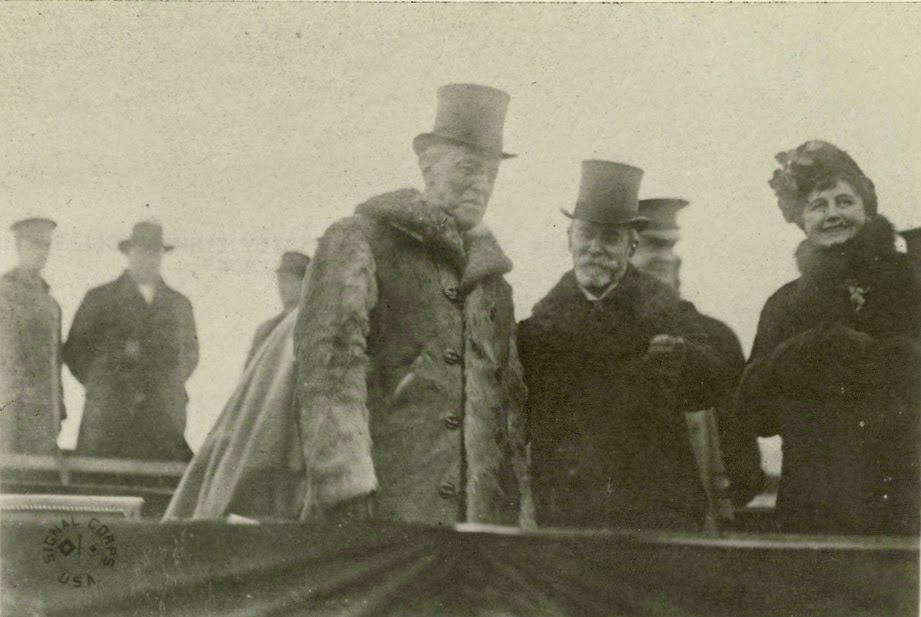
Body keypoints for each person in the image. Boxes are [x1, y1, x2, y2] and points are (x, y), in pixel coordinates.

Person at [293, 84, 532, 527]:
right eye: (467, 168)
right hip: (379, 514)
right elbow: (328, 369)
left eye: (491, 174)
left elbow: (509, 416)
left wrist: (515, 519)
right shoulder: (362, 240)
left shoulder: (493, 283)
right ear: (427, 166)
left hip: (475, 528)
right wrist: (347, 485)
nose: (481, 185)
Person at [518, 161, 729, 531]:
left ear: (632, 246)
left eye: (611, 238)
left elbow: (715, 380)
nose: (595, 249)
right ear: (569, 239)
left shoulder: (668, 313)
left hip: (654, 519)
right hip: (567, 517)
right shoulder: (539, 328)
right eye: (586, 235)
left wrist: (682, 358)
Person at [736, 140, 921, 535]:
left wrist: (877, 356)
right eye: (818, 206)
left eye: (844, 201)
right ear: (801, 220)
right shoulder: (784, 305)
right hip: (813, 505)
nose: (833, 214)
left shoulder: (911, 284)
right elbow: (755, 416)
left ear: (867, 210)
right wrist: (794, 354)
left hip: (904, 503)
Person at [634, 198, 765, 513]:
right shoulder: (594, 334)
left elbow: (744, 468)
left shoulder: (716, 338)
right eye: (651, 246)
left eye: (670, 245)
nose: (666, 258)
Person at [64, 221, 199, 462]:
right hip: (108, 423)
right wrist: (103, 384)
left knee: (160, 481)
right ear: (129, 253)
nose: (147, 259)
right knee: (101, 481)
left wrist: (164, 386)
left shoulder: (179, 305)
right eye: (141, 251)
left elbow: (189, 355)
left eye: (153, 252)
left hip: (161, 424)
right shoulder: (100, 299)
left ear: (161, 255)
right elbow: (75, 351)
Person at [0, 217, 65, 455]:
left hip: (44, 415)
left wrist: (58, 410)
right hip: (10, 412)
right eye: (34, 245)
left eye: (46, 245)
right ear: (19, 247)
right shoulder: (4, 293)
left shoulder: (51, 303)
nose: (41, 251)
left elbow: (55, 363)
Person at [244, 251, 310, 367]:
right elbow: (250, 373)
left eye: (289, 280)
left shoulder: (313, 327)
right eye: (281, 279)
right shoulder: (266, 330)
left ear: (305, 284)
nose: (282, 287)